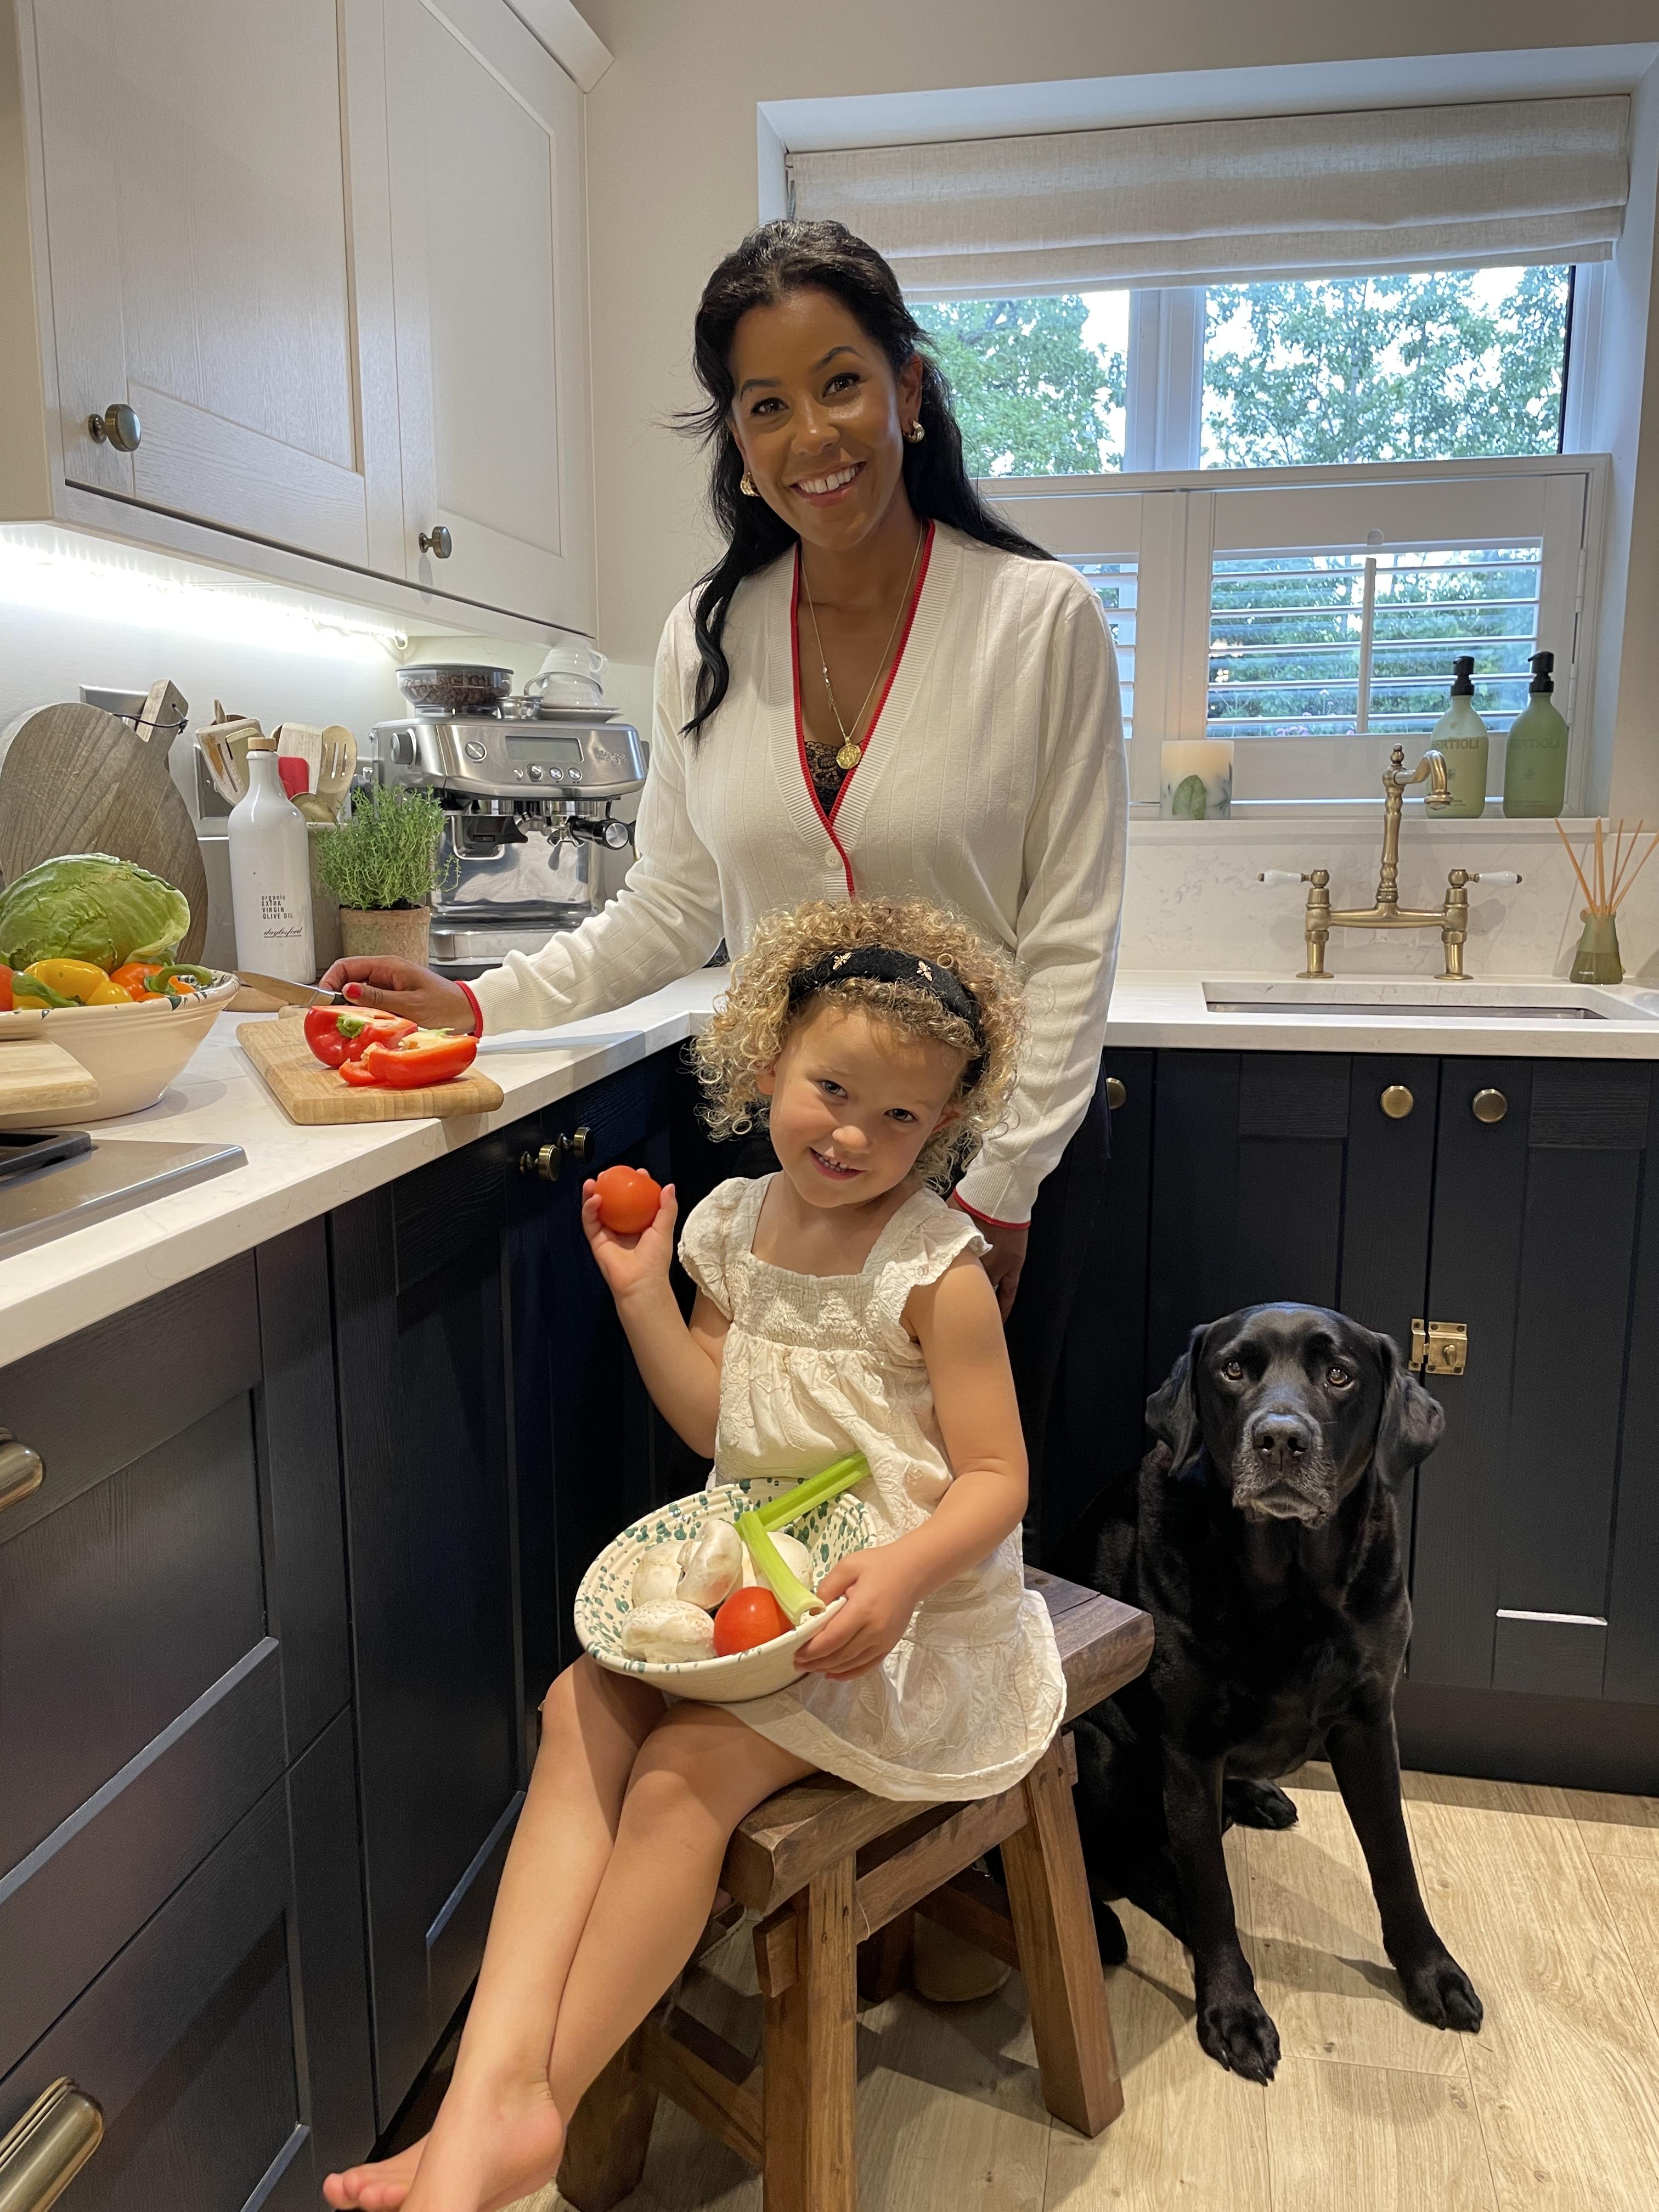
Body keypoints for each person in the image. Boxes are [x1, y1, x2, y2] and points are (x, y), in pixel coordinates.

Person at [320, 218, 1127, 1543]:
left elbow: (1072, 934)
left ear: (909, 391)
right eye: (768, 404)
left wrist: (1004, 1190)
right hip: (799, 1159)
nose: (815, 433)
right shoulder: (708, 638)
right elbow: (669, 909)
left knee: (957, 1532)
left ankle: (968, 1757)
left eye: (843, 382)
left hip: (981, 1156)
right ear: (738, 442)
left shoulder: (1040, 622)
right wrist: (475, 1010)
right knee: (781, 1512)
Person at [323, 896, 1065, 2212]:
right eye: (832, 1089)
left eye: (902, 1119)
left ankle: (530, 2111)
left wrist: (898, 1577)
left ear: (944, 1126)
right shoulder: (731, 1226)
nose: (854, 1135)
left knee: (675, 1783)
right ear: (768, 1060)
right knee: (575, 1705)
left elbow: (999, 1479)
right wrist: (640, 1292)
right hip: (758, 1586)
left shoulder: (935, 1269)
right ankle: (487, 2104)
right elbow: (714, 1419)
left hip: (893, 1616)